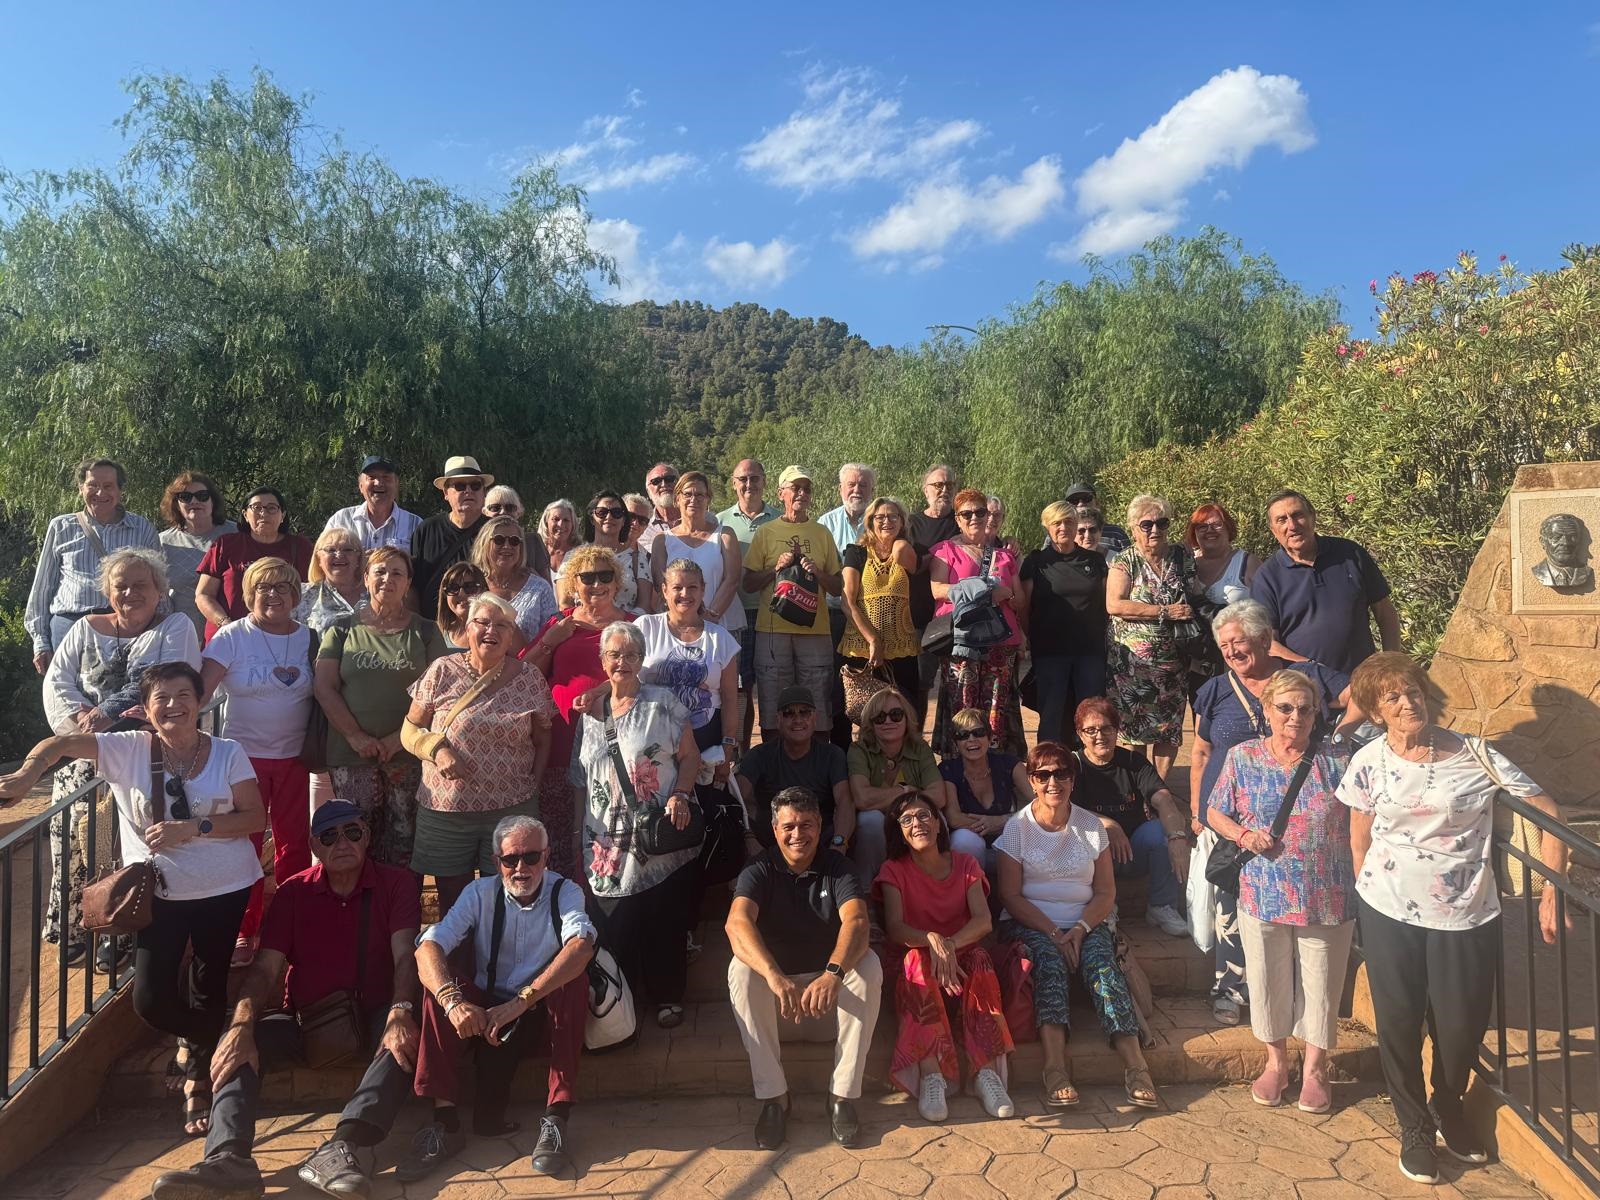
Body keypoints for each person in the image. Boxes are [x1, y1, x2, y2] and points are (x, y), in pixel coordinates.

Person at [2, 661, 262, 1139]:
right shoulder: (127, 751)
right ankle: (200, 1038)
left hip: (225, 887)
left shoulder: (228, 752)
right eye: (162, 697)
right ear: (145, 709)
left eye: (183, 695)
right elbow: (60, 743)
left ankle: (197, 1079)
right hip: (160, 894)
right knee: (149, 999)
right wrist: (25, 776)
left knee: (208, 983)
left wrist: (196, 827)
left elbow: (253, 818)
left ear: (200, 701)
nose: (174, 705)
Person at [1339, 653, 1569, 1183]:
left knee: (1461, 1024)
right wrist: (1368, 901)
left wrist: (1551, 894)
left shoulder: (1477, 754)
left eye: (1412, 691)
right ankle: (1414, 1127)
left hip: (1467, 914)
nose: (1407, 702)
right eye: (1392, 697)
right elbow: (1358, 842)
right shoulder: (1368, 762)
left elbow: (1550, 811)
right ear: (1377, 712)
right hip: (1389, 909)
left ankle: (1448, 1103)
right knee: (1398, 1022)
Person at [145, 801, 421, 1199]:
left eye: (352, 832)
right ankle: (228, 1159)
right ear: (314, 845)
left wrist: (401, 1010)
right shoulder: (295, 892)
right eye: (329, 836)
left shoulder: (396, 884)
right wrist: (240, 1025)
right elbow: (263, 970)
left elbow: (404, 957)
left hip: (376, 1011)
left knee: (407, 1036)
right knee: (239, 1043)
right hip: (307, 1020)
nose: (342, 842)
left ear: (367, 836)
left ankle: (345, 1145)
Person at [1191, 599, 1356, 1025]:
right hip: (1229, 819)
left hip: (1300, 830)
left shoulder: (1307, 677)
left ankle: (1299, 1005)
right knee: (1231, 911)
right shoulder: (1215, 690)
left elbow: (1362, 697)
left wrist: (1340, 732)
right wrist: (1196, 811)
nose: (1231, 651)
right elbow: (1202, 751)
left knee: (1297, 921)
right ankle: (1231, 990)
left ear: (1265, 640)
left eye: (1239, 642)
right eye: (1223, 644)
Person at [37, 548, 202, 969]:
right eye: (120, 586)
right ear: (107, 591)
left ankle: (117, 927)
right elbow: (58, 681)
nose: (130, 593)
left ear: (160, 589)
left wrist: (105, 718)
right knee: (70, 838)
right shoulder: (84, 627)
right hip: (81, 748)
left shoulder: (174, 626)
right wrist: (80, 724)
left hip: (140, 755)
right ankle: (73, 924)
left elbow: (165, 682)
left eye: (140, 585)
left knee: (120, 839)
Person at [409, 814, 594, 1182]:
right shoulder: (479, 893)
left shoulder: (565, 891)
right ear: (497, 863)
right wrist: (453, 1002)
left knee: (573, 983)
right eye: (511, 860)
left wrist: (521, 1002)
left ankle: (556, 1117)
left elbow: (581, 945)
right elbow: (427, 947)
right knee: (437, 992)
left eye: (531, 857)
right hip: (485, 1014)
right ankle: (445, 1122)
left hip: (539, 1011)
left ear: (547, 857)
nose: (521, 868)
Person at [1206, 671, 1354, 1116]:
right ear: (1267, 711)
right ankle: (1276, 1063)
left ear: (1318, 714)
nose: (1296, 717)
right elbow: (1215, 809)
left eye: (1306, 709)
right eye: (1285, 707)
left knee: (1321, 984)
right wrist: (1242, 833)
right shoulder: (1242, 756)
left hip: (1327, 893)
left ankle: (1315, 1069)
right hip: (1262, 891)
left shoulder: (1339, 759)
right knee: (1268, 979)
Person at [996, 742, 1160, 1110]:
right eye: (1043, 775)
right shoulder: (1016, 829)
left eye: (1062, 773)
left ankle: (1136, 1065)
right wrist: (1054, 933)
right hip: (1032, 924)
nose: (1053, 782)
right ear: (1032, 781)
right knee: (1050, 965)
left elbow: (1105, 892)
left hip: (1086, 920)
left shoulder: (1090, 827)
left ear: (1073, 778)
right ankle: (1054, 1069)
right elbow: (1010, 896)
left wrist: (1081, 928)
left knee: (1101, 965)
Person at [726, 787, 882, 1150]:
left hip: (828, 1005)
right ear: (775, 829)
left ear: (821, 825)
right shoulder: (759, 868)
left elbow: (857, 923)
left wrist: (832, 974)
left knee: (868, 965)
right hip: (779, 1008)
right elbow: (736, 924)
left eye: (807, 825)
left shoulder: (838, 868)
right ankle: (774, 1099)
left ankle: (842, 1096)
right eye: (789, 826)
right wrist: (773, 975)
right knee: (741, 969)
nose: (798, 835)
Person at [577, 621, 701, 1029]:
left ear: (642, 659)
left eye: (631, 655)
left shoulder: (662, 703)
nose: (623, 662)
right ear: (603, 661)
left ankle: (667, 997)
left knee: (663, 917)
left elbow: (690, 757)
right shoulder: (590, 715)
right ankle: (623, 1002)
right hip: (606, 841)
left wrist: (681, 794)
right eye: (614, 655)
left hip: (657, 832)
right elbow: (584, 779)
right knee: (616, 924)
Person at [403, 594, 554, 913]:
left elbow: (543, 738)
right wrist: (437, 749)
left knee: (508, 905)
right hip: (447, 813)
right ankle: (458, 963)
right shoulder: (441, 670)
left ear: (512, 635)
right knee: (453, 908)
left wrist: (533, 787)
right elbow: (409, 730)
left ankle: (497, 964)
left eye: (502, 625)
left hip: (511, 812)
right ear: (466, 628)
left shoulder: (529, 678)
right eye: (483, 622)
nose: (491, 631)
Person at [201, 557, 317, 968]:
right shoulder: (232, 636)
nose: (273, 595)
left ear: (295, 595)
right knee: (243, 846)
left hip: (295, 758)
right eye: (264, 588)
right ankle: (244, 930)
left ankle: (292, 924)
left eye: (283, 587)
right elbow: (201, 691)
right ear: (250, 595)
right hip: (242, 761)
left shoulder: (311, 638)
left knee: (294, 846)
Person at [876, 790, 1015, 1122]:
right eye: (906, 819)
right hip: (915, 966)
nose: (917, 823)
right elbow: (895, 928)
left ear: (939, 824)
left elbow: (983, 921)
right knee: (915, 962)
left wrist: (949, 945)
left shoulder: (965, 864)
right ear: (899, 831)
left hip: (962, 962)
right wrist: (932, 941)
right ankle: (932, 1074)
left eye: (924, 815)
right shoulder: (893, 869)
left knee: (980, 958)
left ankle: (985, 1073)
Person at [315, 547, 448, 868]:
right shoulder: (341, 629)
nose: (388, 579)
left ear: (408, 584)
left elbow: (441, 694)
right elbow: (324, 687)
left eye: (397, 573)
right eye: (380, 572)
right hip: (351, 755)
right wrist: (356, 736)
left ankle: (400, 915)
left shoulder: (426, 632)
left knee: (406, 844)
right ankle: (359, 915)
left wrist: (397, 739)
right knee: (356, 842)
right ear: (365, 579)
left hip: (409, 756)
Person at [520, 544, 633, 876]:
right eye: (587, 577)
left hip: (616, 737)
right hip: (561, 736)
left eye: (604, 576)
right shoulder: (559, 622)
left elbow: (645, 674)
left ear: (616, 582)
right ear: (574, 583)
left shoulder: (633, 624)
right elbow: (524, 672)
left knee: (608, 820)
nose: (596, 584)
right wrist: (552, 639)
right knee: (559, 823)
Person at [1069, 698, 1191, 937]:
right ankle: (1103, 907)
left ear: (1117, 731)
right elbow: (1064, 810)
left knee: (1160, 832)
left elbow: (1163, 799)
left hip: (1134, 850)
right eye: (1091, 730)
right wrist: (1108, 824)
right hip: (1094, 858)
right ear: (1080, 735)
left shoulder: (1134, 763)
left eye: (1107, 728)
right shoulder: (1073, 765)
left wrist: (1177, 837)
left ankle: (1161, 906)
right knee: (1087, 833)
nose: (1100, 736)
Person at [1105, 494, 1207, 780]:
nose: (1155, 530)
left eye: (1161, 522)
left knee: (1168, 729)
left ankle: (1159, 786)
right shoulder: (1125, 561)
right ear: (1133, 528)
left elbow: (1194, 592)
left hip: (1174, 662)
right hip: (1133, 666)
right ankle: (1138, 787)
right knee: (1135, 731)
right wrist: (1164, 611)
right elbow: (1115, 604)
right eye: (1146, 524)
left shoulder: (1181, 555)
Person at [27, 456, 161, 674]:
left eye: (108, 486)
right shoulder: (61, 527)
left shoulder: (141, 528)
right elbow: (42, 589)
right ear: (81, 488)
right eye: (93, 485)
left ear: (120, 491)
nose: (100, 493)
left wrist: (159, 631)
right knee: (70, 701)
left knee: (124, 701)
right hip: (70, 625)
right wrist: (40, 641)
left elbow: (158, 585)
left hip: (126, 626)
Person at [1251, 489, 1401, 674]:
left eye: (1298, 515)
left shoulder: (1350, 554)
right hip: (1307, 690)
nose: (1292, 525)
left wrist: (1393, 665)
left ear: (1313, 517)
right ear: (1274, 531)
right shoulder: (1267, 578)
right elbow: (1269, 645)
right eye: (1282, 520)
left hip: (1365, 681)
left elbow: (1386, 614)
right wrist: (1318, 672)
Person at [742, 466, 843, 741]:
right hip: (773, 631)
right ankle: (775, 774)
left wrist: (818, 573)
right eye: (795, 488)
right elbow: (748, 584)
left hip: (816, 631)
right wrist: (775, 568)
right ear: (781, 493)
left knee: (818, 707)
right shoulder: (765, 532)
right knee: (773, 704)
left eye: (806, 489)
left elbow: (838, 586)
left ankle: (818, 775)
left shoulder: (822, 533)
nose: (801, 493)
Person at [928, 487, 1025, 758]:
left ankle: (994, 766)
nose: (974, 518)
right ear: (957, 519)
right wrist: (983, 591)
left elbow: (1019, 600)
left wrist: (1007, 595)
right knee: (963, 703)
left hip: (1001, 641)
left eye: (979, 512)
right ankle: (961, 766)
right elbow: (937, 589)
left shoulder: (1004, 556)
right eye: (966, 513)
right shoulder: (945, 551)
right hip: (963, 641)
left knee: (996, 706)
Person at [1020, 502, 1109, 745]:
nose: (1063, 527)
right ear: (1047, 526)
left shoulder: (1095, 561)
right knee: (1051, 715)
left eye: (1069, 522)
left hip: (1090, 652)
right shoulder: (1037, 562)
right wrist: (1031, 639)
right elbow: (1024, 608)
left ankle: (1090, 769)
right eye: (1056, 523)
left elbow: (1106, 605)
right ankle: (1047, 769)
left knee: (1092, 714)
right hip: (1050, 653)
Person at [639, 559, 741, 758]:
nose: (685, 594)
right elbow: (622, 679)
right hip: (650, 736)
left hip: (705, 739)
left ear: (703, 590)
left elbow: (730, 698)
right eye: (677, 587)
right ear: (664, 590)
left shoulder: (720, 638)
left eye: (692, 587)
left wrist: (728, 745)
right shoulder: (644, 628)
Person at [847, 687, 943, 891]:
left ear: (907, 719)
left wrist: (891, 801)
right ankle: (867, 890)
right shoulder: (859, 750)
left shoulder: (920, 748)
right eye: (880, 717)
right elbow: (862, 798)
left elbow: (938, 796)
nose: (888, 721)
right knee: (870, 819)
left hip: (911, 821)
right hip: (877, 831)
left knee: (936, 819)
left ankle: (932, 886)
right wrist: (905, 791)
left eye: (896, 715)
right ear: (870, 725)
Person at [735, 686, 850, 853]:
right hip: (769, 847)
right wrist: (749, 839)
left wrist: (839, 843)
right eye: (789, 713)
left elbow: (845, 801)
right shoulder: (759, 755)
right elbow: (736, 799)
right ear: (778, 720)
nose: (797, 719)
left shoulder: (832, 755)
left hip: (821, 846)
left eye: (804, 712)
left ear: (815, 718)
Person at [839, 495, 921, 720]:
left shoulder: (906, 550)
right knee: (864, 715)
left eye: (893, 516)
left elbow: (920, 566)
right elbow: (847, 601)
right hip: (864, 647)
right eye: (880, 517)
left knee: (904, 714)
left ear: (902, 522)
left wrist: (900, 545)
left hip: (902, 647)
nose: (887, 521)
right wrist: (873, 640)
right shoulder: (856, 553)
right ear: (870, 521)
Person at [195, 488, 314, 644]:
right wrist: (226, 624)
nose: (264, 513)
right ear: (245, 514)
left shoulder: (300, 547)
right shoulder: (226, 544)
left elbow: (313, 594)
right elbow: (203, 595)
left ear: (282, 515)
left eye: (271, 508)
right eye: (257, 507)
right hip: (229, 639)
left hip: (282, 640)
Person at [718, 459, 779, 746]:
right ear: (733, 483)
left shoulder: (780, 519)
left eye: (754, 478)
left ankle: (768, 753)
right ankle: (741, 754)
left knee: (768, 686)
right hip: (733, 616)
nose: (748, 484)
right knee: (739, 688)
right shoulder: (719, 522)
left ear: (764, 481)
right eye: (742, 479)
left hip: (772, 615)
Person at [819, 464, 876, 749]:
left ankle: (872, 750)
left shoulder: (881, 521)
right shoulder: (825, 525)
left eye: (863, 485)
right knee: (838, 686)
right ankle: (840, 749)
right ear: (840, 488)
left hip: (875, 619)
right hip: (834, 618)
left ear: (872, 490)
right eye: (851, 484)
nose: (857, 490)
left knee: (873, 685)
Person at [649, 471, 743, 637]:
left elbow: (732, 580)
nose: (694, 500)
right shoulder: (662, 541)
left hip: (722, 625)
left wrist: (708, 617)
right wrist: (687, 621)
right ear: (677, 499)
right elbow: (660, 586)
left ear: (708, 500)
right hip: (679, 629)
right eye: (687, 494)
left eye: (700, 494)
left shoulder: (725, 535)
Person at [939, 707, 1031, 873]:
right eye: (963, 735)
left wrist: (1002, 821)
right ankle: (971, 893)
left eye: (978, 732)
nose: (971, 739)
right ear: (956, 744)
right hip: (970, 850)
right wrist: (991, 823)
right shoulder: (948, 769)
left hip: (1009, 844)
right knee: (964, 840)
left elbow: (1041, 803)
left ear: (990, 738)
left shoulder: (1009, 764)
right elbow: (953, 818)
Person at [411, 456, 492, 620]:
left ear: (483, 492)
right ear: (446, 493)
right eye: (460, 486)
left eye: (475, 485)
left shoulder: (495, 533)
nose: (468, 490)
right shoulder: (426, 529)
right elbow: (412, 585)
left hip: (479, 627)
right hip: (432, 628)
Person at [159, 472, 237, 639]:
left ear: (212, 500)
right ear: (176, 504)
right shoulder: (162, 543)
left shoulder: (237, 534)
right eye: (185, 497)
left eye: (202, 496)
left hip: (231, 630)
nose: (194, 501)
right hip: (182, 633)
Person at [909, 465, 959, 722]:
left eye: (949, 485)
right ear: (925, 489)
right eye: (938, 485)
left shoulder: (964, 521)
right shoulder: (911, 524)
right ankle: (916, 746)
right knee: (920, 686)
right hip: (919, 618)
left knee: (958, 686)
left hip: (957, 619)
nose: (944, 490)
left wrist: (1010, 543)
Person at [472, 515, 557, 646]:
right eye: (499, 540)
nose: (507, 546)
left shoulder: (540, 589)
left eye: (514, 541)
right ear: (484, 543)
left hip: (526, 664)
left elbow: (551, 638)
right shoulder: (471, 584)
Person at [324, 454, 421, 552]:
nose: (378, 483)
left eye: (386, 477)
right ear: (361, 486)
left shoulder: (416, 525)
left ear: (396, 485)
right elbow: (322, 558)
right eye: (371, 477)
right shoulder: (340, 520)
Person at [579, 489, 648, 614]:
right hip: (583, 628)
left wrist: (622, 625)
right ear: (591, 518)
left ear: (623, 521)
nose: (609, 517)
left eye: (616, 513)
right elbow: (564, 603)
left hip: (626, 629)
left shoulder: (638, 559)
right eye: (602, 512)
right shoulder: (574, 556)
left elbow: (644, 605)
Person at [293, 527, 366, 635]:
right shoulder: (300, 594)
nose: (339, 555)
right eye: (331, 550)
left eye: (347, 550)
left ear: (358, 558)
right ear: (319, 559)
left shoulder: (377, 593)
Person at [434, 562, 488, 652]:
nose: (461, 594)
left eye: (470, 587)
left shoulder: (497, 629)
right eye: (453, 588)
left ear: (484, 590)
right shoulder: (435, 633)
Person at [1531, 512, 1592, 588]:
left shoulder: (1585, 572)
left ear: (1579, 540)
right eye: (1557, 537)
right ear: (1543, 542)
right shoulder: (1539, 571)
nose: (1565, 543)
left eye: (1572, 537)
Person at [1064, 483, 1129, 554]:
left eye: (1086, 498)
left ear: (1097, 503)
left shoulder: (1116, 533)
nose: (1080, 504)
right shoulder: (1061, 536)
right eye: (1074, 500)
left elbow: (1130, 560)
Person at [636, 461, 682, 558]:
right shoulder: (640, 529)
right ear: (648, 492)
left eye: (669, 479)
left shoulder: (703, 521)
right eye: (656, 481)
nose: (664, 484)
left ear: (680, 485)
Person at [538, 498, 579, 580]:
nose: (560, 524)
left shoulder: (581, 553)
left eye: (566, 520)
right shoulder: (536, 551)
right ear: (546, 522)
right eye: (556, 519)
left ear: (573, 524)